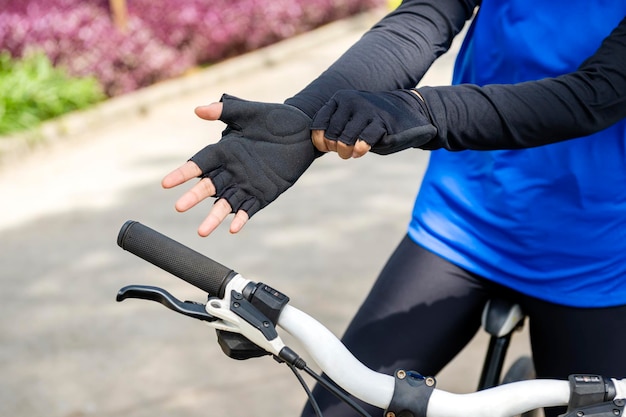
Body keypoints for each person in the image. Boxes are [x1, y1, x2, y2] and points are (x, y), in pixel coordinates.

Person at [161, 2, 626, 417]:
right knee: (337, 407)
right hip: (462, 226)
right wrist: (306, 116)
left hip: (597, 253)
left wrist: (421, 110)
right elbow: (421, 20)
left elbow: (596, 94)